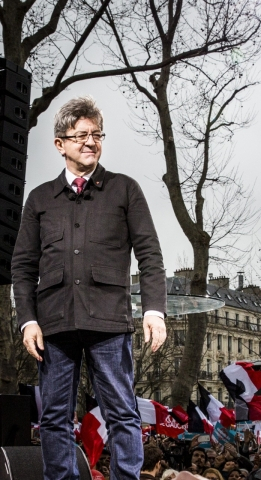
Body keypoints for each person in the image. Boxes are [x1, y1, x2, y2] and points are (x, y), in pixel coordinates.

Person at [11, 96, 168, 480]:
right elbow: (23, 265)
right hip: (54, 325)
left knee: (122, 412)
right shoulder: (40, 200)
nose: (91, 141)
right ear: (59, 143)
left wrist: (153, 310)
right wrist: (27, 320)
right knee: (54, 417)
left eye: (97, 134)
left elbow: (150, 253)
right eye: (81, 135)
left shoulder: (124, 190)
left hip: (109, 324)